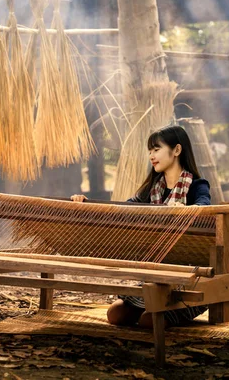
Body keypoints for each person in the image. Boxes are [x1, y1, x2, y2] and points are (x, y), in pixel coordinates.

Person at [71, 125, 211, 328]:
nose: (151, 156)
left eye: (156, 149)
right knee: (115, 314)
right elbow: (124, 208)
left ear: (177, 150)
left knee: (149, 321)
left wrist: (184, 209)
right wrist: (86, 202)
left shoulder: (197, 185)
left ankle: (171, 309)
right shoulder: (152, 189)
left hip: (188, 276)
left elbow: (205, 208)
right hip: (158, 271)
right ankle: (155, 304)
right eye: (149, 151)